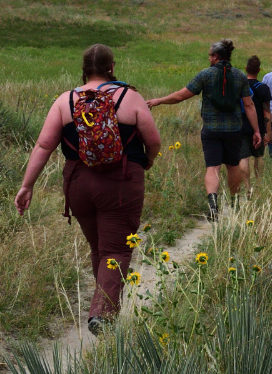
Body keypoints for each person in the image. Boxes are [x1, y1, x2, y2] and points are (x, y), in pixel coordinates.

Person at [15, 44, 162, 336]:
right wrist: (147, 161)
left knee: (100, 247)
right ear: (112, 67)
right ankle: (103, 315)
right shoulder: (130, 97)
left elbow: (44, 145)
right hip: (121, 181)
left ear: (83, 69)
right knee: (117, 249)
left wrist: (26, 185)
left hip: (78, 183)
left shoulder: (65, 100)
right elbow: (153, 140)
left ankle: (101, 305)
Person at [148, 40, 260, 221]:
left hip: (211, 130)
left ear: (216, 57)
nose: (209, 58)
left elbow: (180, 96)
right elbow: (249, 104)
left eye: (210, 55)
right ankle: (234, 203)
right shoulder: (240, 76)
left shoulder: (205, 75)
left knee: (212, 167)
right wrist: (256, 130)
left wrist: (159, 100)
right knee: (233, 166)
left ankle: (213, 204)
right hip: (233, 130)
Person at [239, 55, 272, 195]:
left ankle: (247, 188)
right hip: (259, 127)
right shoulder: (263, 88)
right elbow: (267, 112)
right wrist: (268, 132)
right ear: (259, 70)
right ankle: (258, 185)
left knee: (243, 157)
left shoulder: (239, 86)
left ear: (246, 69)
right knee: (259, 157)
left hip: (241, 127)